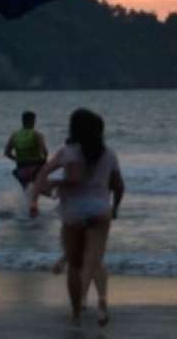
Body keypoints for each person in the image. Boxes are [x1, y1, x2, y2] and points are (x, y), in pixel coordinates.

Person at [30, 108, 124, 327]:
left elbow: (46, 173)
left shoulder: (68, 151)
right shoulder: (109, 153)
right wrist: (116, 207)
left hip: (73, 213)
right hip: (100, 212)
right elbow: (119, 186)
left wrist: (36, 198)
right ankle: (101, 301)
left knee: (74, 265)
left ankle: (76, 313)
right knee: (94, 260)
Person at [4, 110, 48, 190]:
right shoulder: (37, 135)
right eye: (34, 121)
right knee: (39, 192)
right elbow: (44, 153)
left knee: (26, 192)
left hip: (21, 169)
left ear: (23, 121)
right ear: (32, 121)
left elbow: (7, 153)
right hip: (35, 169)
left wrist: (17, 159)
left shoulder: (15, 135)